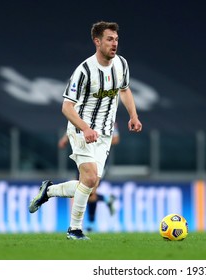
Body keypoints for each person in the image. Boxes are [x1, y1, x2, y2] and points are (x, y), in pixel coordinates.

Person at [29, 21, 142, 240]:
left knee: (90, 184)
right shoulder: (84, 71)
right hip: (81, 131)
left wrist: (133, 116)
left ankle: (48, 191)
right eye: (109, 39)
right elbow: (66, 107)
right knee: (90, 178)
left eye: (116, 39)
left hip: (105, 134)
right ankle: (75, 230)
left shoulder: (122, 64)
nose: (114, 43)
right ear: (97, 41)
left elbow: (125, 90)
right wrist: (85, 128)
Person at [58, 122, 120, 231]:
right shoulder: (85, 112)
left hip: (99, 160)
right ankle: (106, 199)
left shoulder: (108, 118)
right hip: (84, 157)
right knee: (82, 189)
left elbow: (115, 139)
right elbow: (74, 124)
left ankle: (90, 225)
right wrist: (65, 138)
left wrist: (99, 141)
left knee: (91, 192)